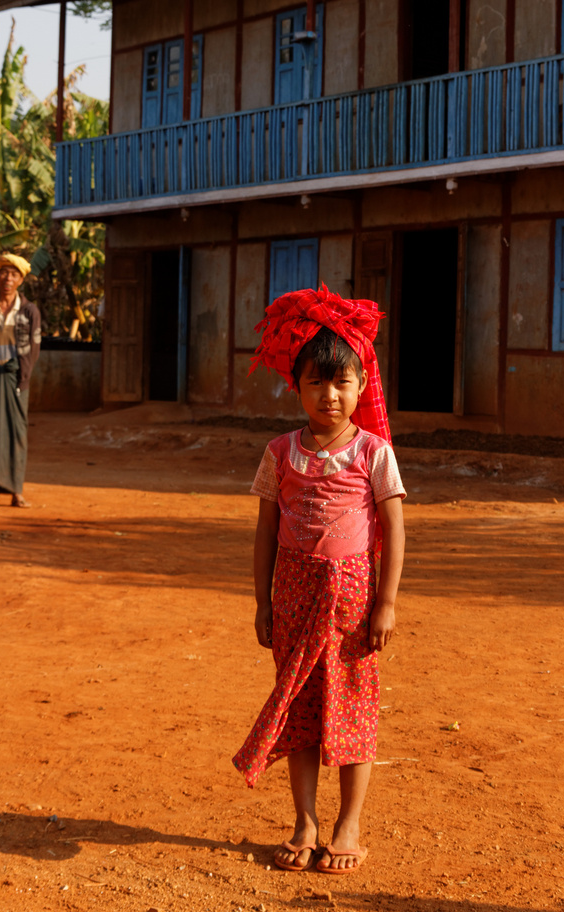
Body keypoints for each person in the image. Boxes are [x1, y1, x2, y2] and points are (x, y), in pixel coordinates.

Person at [232, 283, 406, 876]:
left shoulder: (374, 454)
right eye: (316, 382)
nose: (329, 395)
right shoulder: (279, 453)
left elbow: (394, 529)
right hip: (294, 596)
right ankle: (304, 820)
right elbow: (264, 531)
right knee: (300, 708)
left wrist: (385, 603)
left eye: (342, 382)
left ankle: (348, 823)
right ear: (297, 386)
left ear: (361, 387)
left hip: (353, 603)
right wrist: (263, 602)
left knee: (353, 707)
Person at [0, 252, 41, 508]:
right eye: (4, 272)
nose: (8, 278)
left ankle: (16, 492)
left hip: (15, 377)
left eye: (14, 274)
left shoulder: (29, 310)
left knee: (16, 433)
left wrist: (23, 379)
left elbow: (33, 348)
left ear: (21, 279)